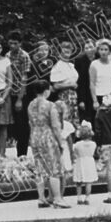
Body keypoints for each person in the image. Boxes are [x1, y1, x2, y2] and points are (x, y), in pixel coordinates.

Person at [27, 80, 70, 208]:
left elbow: (30, 122)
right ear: (46, 91)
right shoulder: (50, 105)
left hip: (35, 136)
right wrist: (61, 141)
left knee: (40, 168)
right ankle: (57, 198)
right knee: (54, 168)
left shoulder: (30, 105)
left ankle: (41, 198)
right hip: (48, 137)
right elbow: (55, 126)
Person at [6, 31, 32, 157]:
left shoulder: (24, 56)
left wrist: (20, 99)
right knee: (12, 124)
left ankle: (22, 154)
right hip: (7, 94)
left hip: (19, 94)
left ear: (20, 44)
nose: (12, 46)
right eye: (10, 43)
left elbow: (24, 78)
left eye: (15, 43)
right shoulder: (6, 56)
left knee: (22, 125)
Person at [50, 39, 80, 127]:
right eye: (64, 48)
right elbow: (55, 86)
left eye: (69, 49)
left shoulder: (71, 65)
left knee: (74, 123)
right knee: (65, 122)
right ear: (60, 51)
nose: (67, 50)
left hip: (73, 96)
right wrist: (70, 85)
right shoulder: (58, 66)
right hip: (64, 97)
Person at [72, 121, 98, 205]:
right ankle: (87, 197)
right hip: (89, 162)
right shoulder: (93, 144)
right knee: (88, 182)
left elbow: (74, 151)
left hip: (80, 162)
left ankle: (79, 197)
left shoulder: (77, 144)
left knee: (78, 182)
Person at [75, 39, 98, 123]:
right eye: (86, 48)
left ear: (95, 47)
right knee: (88, 118)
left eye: (91, 47)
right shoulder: (79, 60)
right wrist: (81, 100)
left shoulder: (100, 57)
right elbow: (79, 81)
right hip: (86, 92)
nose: (89, 50)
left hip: (99, 91)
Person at [89, 39, 111, 105]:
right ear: (98, 51)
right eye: (101, 49)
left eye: (105, 49)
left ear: (110, 51)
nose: (103, 52)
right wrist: (95, 101)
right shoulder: (94, 64)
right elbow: (92, 83)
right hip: (99, 96)